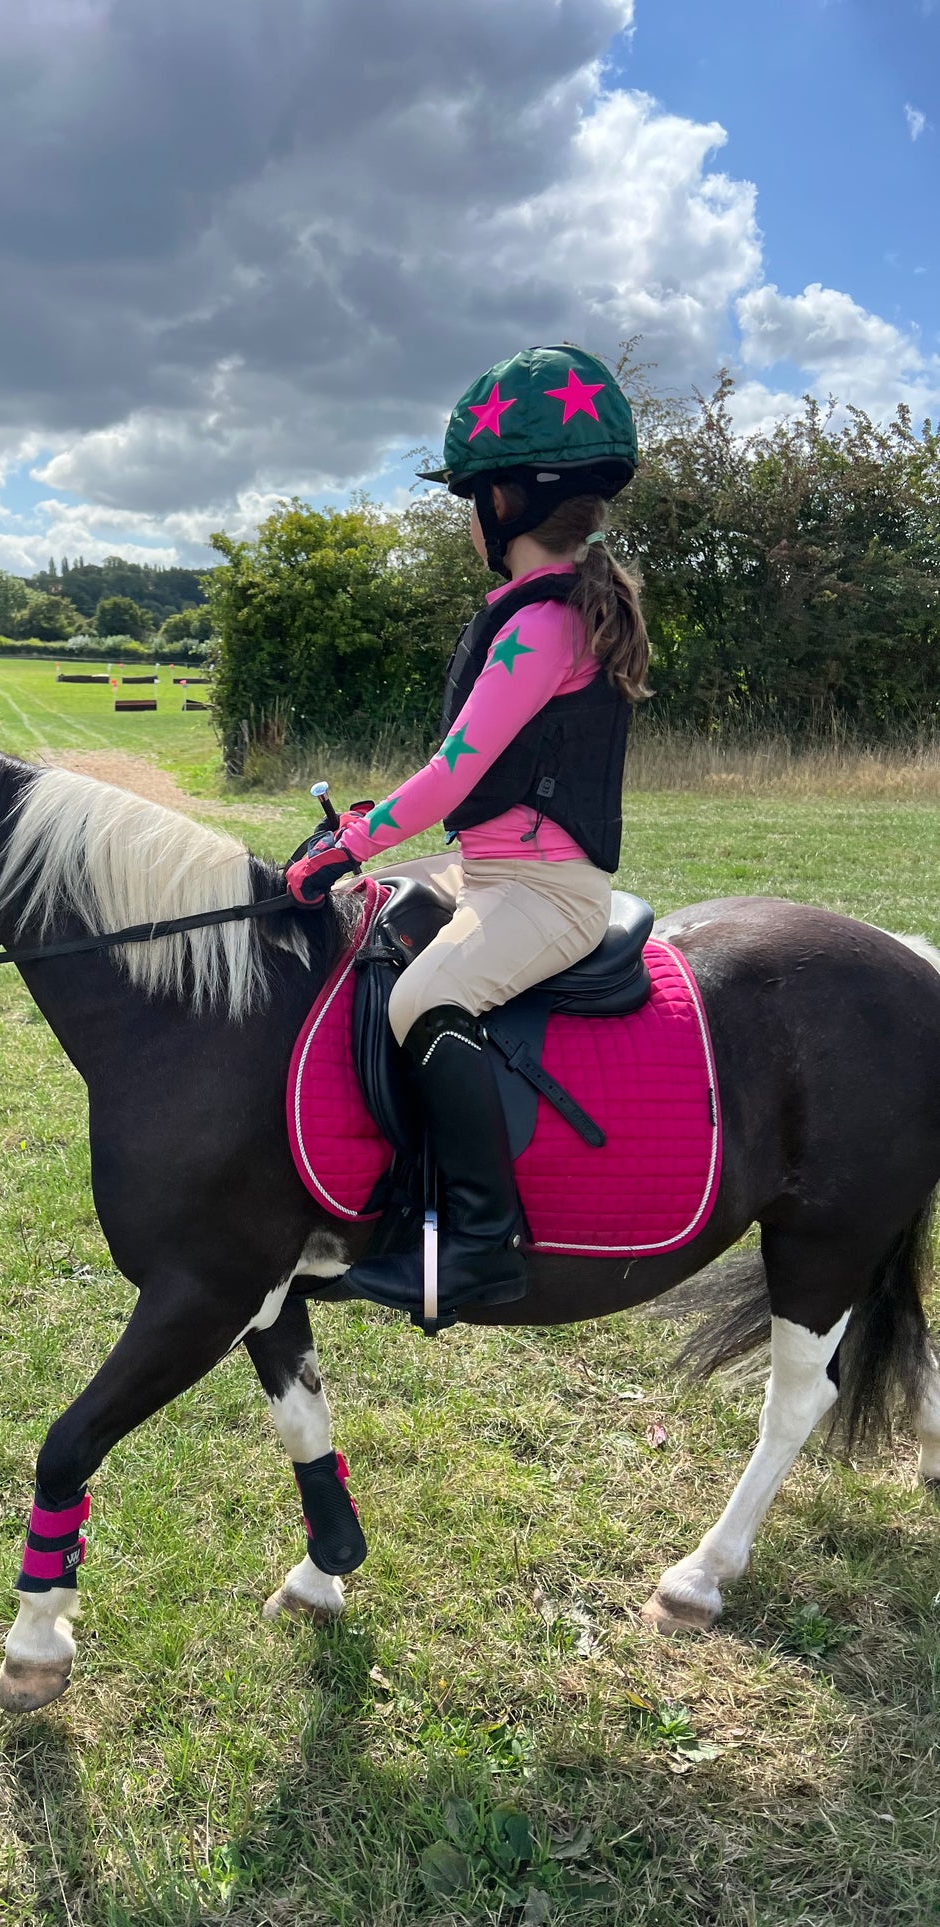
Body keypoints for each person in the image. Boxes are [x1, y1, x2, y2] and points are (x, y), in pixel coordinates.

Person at [284, 345, 651, 1310]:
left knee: (421, 1002)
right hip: (487, 871)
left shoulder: (543, 623)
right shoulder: (542, 608)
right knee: (375, 934)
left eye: (472, 499)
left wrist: (344, 842)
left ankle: (482, 1245)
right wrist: (366, 847)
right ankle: (400, 1192)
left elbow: (455, 773)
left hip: (543, 894)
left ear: (503, 503)